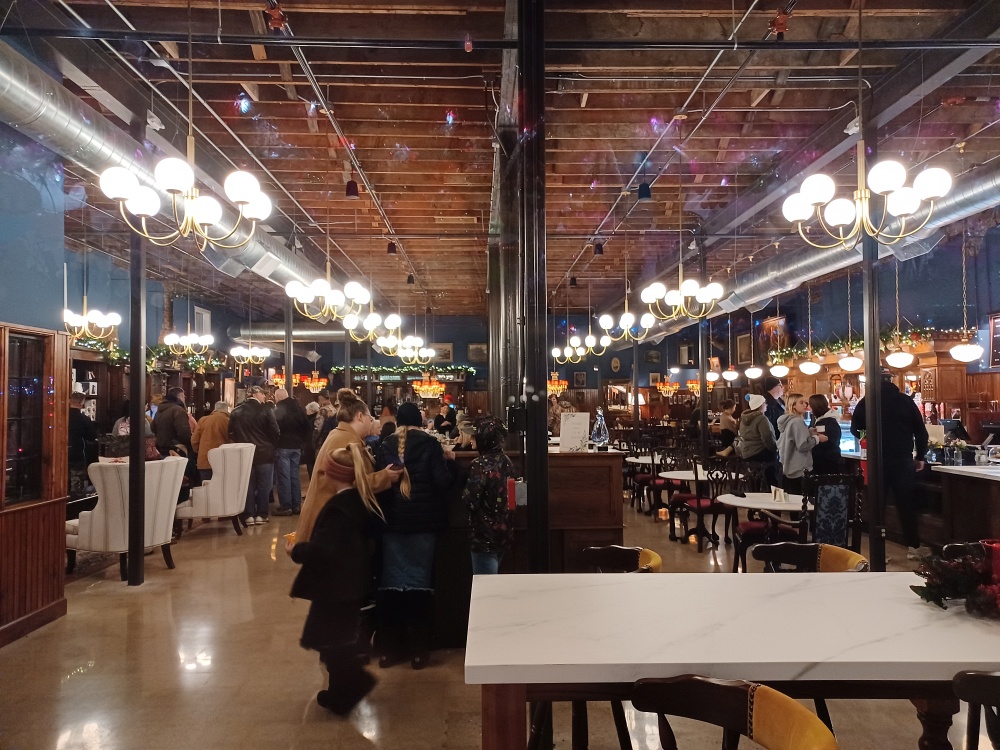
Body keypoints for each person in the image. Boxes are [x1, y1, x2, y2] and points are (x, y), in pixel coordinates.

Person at [286, 443, 383, 715]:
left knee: (330, 640)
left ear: (334, 475)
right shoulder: (359, 501)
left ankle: (350, 688)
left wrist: (297, 551)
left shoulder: (338, 508)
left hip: (335, 586)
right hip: (352, 582)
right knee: (335, 638)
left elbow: (324, 548)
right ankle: (343, 690)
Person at [375, 401, 456, 670]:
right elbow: (443, 483)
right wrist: (452, 465)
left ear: (398, 421)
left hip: (394, 524)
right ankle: (419, 652)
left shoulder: (385, 444)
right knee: (419, 585)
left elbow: (379, 483)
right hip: (424, 525)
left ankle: (388, 650)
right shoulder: (430, 445)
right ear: (420, 422)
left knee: (392, 583)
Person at [296, 389, 403, 546]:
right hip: (331, 524)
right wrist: (385, 477)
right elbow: (350, 483)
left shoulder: (340, 435)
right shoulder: (346, 441)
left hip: (327, 519)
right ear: (360, 416)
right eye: (370, 417)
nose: (371, 421)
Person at [852, 369, 931, 560]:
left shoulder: (866, 402)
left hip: (876, 461)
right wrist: (920, 456)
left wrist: (869, 438)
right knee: (906, 504)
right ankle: (913, 547)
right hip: (902, 460)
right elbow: (921, 432)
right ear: (891, 381)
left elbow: (855, 428)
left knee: (876, 506)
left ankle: (878, 552)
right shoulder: (905, 401)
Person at [462, 417, 516, 575]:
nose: (471, 438)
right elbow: (515, 498)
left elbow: (470, 501)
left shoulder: (480, 464)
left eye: (475, 435)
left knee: (486, 589)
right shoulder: (507, 462)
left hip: (483, 537)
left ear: (485, 438)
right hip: (504, 535)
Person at [228, 385, 280, 526]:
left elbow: (231, 434)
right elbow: (275, 431)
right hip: (265, 453)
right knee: (264, 485)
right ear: (256, 394)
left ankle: (248, 515)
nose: (264, 397)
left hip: (244, 454)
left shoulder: (236, 411)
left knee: (248, 485)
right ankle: (261, 515)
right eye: (263, 394)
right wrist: (272, 445)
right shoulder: (266, 410)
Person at [776, 393, 826, 496]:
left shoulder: (787, 421)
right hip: (800, 468)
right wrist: (817, 438)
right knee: (803, 502)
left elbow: (791, 439)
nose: (805, 405)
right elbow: (803, 445)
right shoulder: (797, 422)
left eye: (805, 403)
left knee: (793, 501)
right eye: (801, 402)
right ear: (793, 405)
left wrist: (808, 432)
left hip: (788, 466)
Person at [273, 388, 311, 516]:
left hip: (283, 446)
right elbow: (307, 427)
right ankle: (296, 505)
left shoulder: (279, 409)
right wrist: (301, 442)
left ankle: (286, 506)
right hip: (296, 447)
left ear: (278, 398)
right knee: (294, 475)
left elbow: (274, 428)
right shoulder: (299, 408)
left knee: (284, 476)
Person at [737, 393, 778, 486]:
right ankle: (774, 491)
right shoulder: (761, 418)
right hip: (760, 452)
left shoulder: (743, 419)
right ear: (760, 405)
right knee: (772, 474)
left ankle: (754, 491)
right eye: (765, 403)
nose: (766, 405)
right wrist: (774, 448)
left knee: (754, 479)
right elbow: (767, 437)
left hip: (747, 452)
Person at [191, 401, 230, 481]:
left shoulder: (203, 420)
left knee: (206, 488)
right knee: (221, 489)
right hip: (222, 461)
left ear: (215, 409)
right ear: (226, 410)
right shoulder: (228, 421)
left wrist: (200, 452)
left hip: (204, 460)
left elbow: (194, 440)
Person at [68, 392, 99, 492]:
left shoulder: (62, 417)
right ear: (82, 403)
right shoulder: (84, 419)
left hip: (60, 454)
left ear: (69, 401)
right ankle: (75, 503)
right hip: (77, 454)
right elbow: (92, 437)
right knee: (76, 484)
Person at [809, 394, 844, 475]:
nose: (808, 407)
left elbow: (824, 441)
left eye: (809, 405)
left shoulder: (824, 422)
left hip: (825, 461)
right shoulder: (824, 419)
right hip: (832, 458)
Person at [152, 387, 192, 457]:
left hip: (161, 448)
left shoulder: (160, 411)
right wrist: (190, 445)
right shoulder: (178, 410)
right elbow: (184, 432)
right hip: (176, 449)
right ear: (180, 396)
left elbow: (153, 427)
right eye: (184, 397)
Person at [303, 401, 321, 476]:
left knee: (311, 467)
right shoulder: (319, 418)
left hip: (310, 446)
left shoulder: (310, 421)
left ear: (311, 411)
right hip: (317, 446)